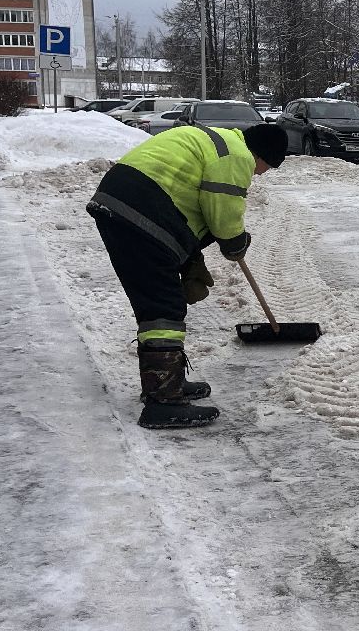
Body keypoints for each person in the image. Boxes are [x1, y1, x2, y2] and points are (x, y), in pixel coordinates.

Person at [86, 122, 289, 430]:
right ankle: (163, 401)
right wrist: (236, 244)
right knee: (163, 306)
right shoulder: (236, 155)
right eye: (267, 167)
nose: (261, 174)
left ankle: (166, 383)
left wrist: (189, 255)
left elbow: (190, 201)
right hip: (140, 207)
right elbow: (224, 215)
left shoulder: (217, 141)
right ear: (260, 155)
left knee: (157, 299)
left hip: (123, 201)